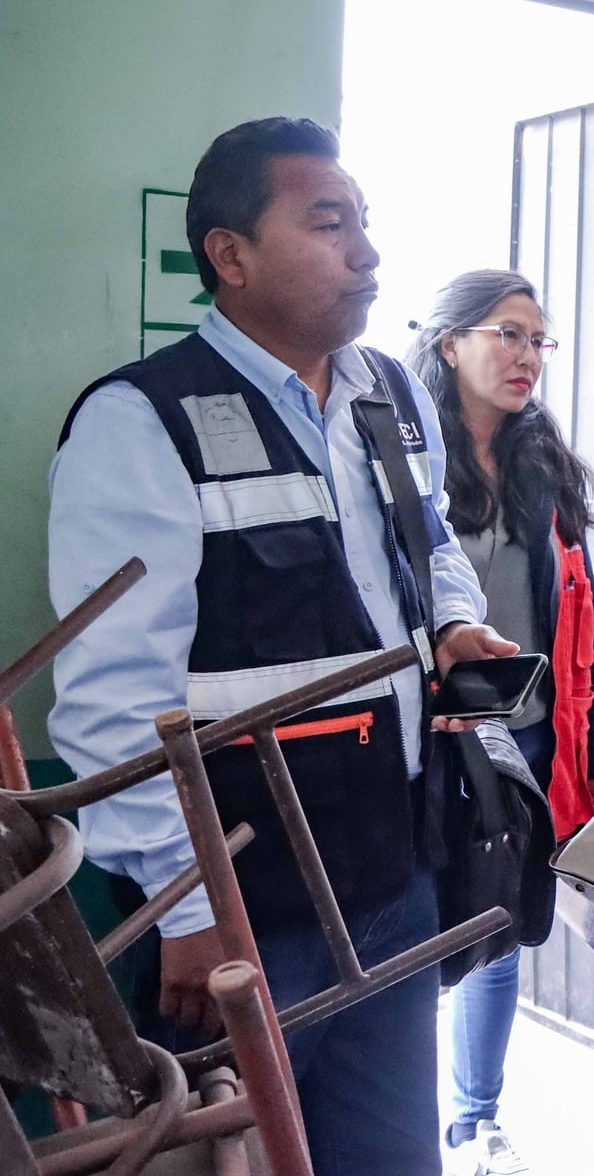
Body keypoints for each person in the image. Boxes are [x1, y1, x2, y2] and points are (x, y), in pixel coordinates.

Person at [47, 117, 516, 1174]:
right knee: (247, 1155)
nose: (366, 252)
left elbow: (429, 538)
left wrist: (449, 620)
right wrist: (187, 902)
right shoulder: (140, 421)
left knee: (388, 1154)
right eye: (328, 223)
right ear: (230, 254)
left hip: (391, 875)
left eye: (366, 223)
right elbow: (112, 701)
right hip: (244, 914)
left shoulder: (386, 397)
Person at [405, 268, 594, 1175]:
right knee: (418, 931)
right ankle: (403, 1120)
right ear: (451, 342)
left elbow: (584, 625)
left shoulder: (544, 467)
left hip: (528, 741)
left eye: (540, 340)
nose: (528, 356)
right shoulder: (404, 460)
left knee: (500, 928)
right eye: (508, 334)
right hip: (428, 741)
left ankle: (474, 1122)